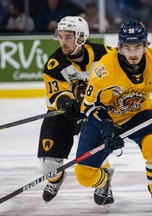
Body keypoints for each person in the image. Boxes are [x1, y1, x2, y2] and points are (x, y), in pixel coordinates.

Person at [74, 20, 152, 216]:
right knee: (83, 175)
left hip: (139, 115)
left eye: (137, 47)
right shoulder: (104, 70)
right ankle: (104, 179)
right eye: (127, 47)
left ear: (146, 46)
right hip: (106, 118)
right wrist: (106, 125)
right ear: (120, 47)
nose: (133, 53)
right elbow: (89, 106)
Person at [37, 16, 114, 203]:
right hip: (62, 112)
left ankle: (104, 181)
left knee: (95, 156)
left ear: (81, 37)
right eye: (61, 36)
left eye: (68, 37)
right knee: (47, 165)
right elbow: (56, 92)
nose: (63, 42)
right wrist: (66, 102)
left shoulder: (105, 54)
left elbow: (123, 69)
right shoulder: (54, 63)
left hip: (91, 111)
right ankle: (56, 179)